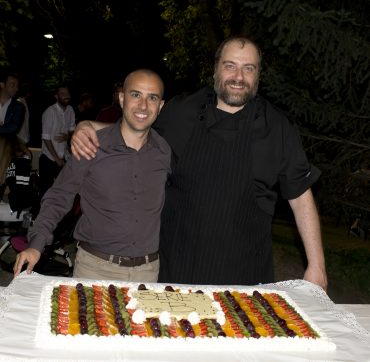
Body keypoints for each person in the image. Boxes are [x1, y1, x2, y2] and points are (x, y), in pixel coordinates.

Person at [70, 37, 328, 290]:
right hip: (177, 272)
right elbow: (135, 134)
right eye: (230, 66)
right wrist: (89, 126)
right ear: (216, 69)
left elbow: (300, 195)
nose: (238, 76)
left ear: (258, 74)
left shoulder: (277, 128)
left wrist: (316, 266)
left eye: (248, 68)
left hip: (244, 277)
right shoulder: (182, 110)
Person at [13, 69, 171, 282]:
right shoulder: (91, 146)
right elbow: (59, 196)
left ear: (160, 106)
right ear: (122, 98)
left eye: (152, 98)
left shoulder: (164, 150)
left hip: (147, 272)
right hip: (95, 270)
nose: (143, 105)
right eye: (135, 95)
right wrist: (36, 244)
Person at [38, 84, 76, 197]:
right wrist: (57, 159)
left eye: (67, 93)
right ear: (56, 96)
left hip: (64, 157)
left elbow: (72, 130)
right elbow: (46, 138)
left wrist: (68, 136)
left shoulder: (70, 110)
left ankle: (59, 214)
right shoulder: (50, 112)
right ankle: (38, 213)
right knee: (45, 191)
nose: (66, 96)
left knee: (63, 191)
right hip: (49, 158)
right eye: (62, 94)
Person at [0, 71, 25, 136]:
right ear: (2, 85)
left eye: (17, 86)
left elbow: (13, 128)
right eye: (12, 85)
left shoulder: (19, 107)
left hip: (5, 145)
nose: (16, 89)